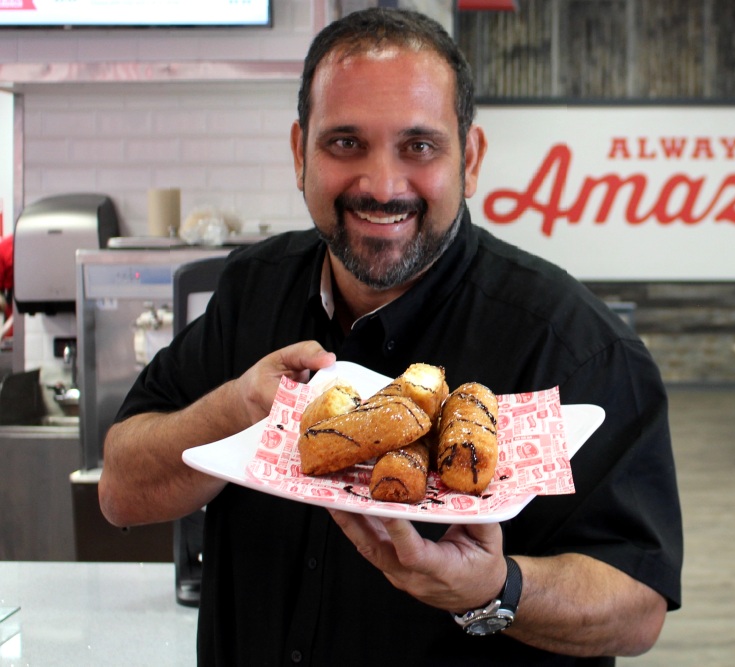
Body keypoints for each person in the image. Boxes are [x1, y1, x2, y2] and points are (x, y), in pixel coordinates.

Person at [99, 8, 682, 666]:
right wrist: (235, 409)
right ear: (300, 152)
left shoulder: (573, 345)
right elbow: (121, 488)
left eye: (419, 146)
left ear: (472, 158)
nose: (380, 185)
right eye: (345, 143)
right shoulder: (251, 293)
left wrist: (496, 588)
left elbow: (637, 605)